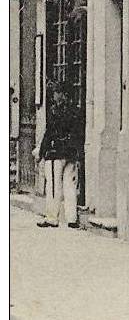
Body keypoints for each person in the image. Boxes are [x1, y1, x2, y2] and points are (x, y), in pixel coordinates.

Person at [33, 80, 81, 228]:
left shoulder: (54, 111)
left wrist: (41, 153)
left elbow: (49, 134)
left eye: (55, 93)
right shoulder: (74, 110)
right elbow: (77, 134)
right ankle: (72, 219)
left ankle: (52, 217)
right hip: (70, 153)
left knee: (54, 186)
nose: (53, 96)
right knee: (70, 186)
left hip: (55, 153)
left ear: (60, 94)